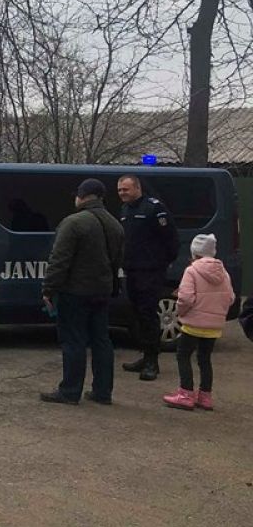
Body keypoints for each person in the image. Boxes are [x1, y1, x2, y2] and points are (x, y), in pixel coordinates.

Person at [39, 178, 125, 405]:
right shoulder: (115, 224)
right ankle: (102, 392)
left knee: (73, 341)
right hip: (102, 290)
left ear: (82, 195)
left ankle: (70, 391)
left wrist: (48, 289)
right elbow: (117, 260)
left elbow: (59, 260)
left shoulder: (73, 223)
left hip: (75, 292)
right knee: (101, 340)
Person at [117, 174, 178, 380]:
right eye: (120, 190)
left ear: (137, 188)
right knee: (137, 314)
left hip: (150, 271)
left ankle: (153, 362)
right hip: (132, 270)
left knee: (149, 314)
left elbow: (170, 238)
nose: (122, 193)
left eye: (125, 189)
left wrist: (162, 262)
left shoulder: (154, 208)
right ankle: (145, 356)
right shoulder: (125, 210)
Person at [163, 234, 234, 411]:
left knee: (183, 355)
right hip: (213, 326)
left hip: (193, 324)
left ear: (194, 252)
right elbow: (231, 297)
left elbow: (186, 298)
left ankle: (186, 393)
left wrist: (180, 312)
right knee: (204, 359)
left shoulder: (191, 271)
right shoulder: (223, 272)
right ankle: (205, 396)